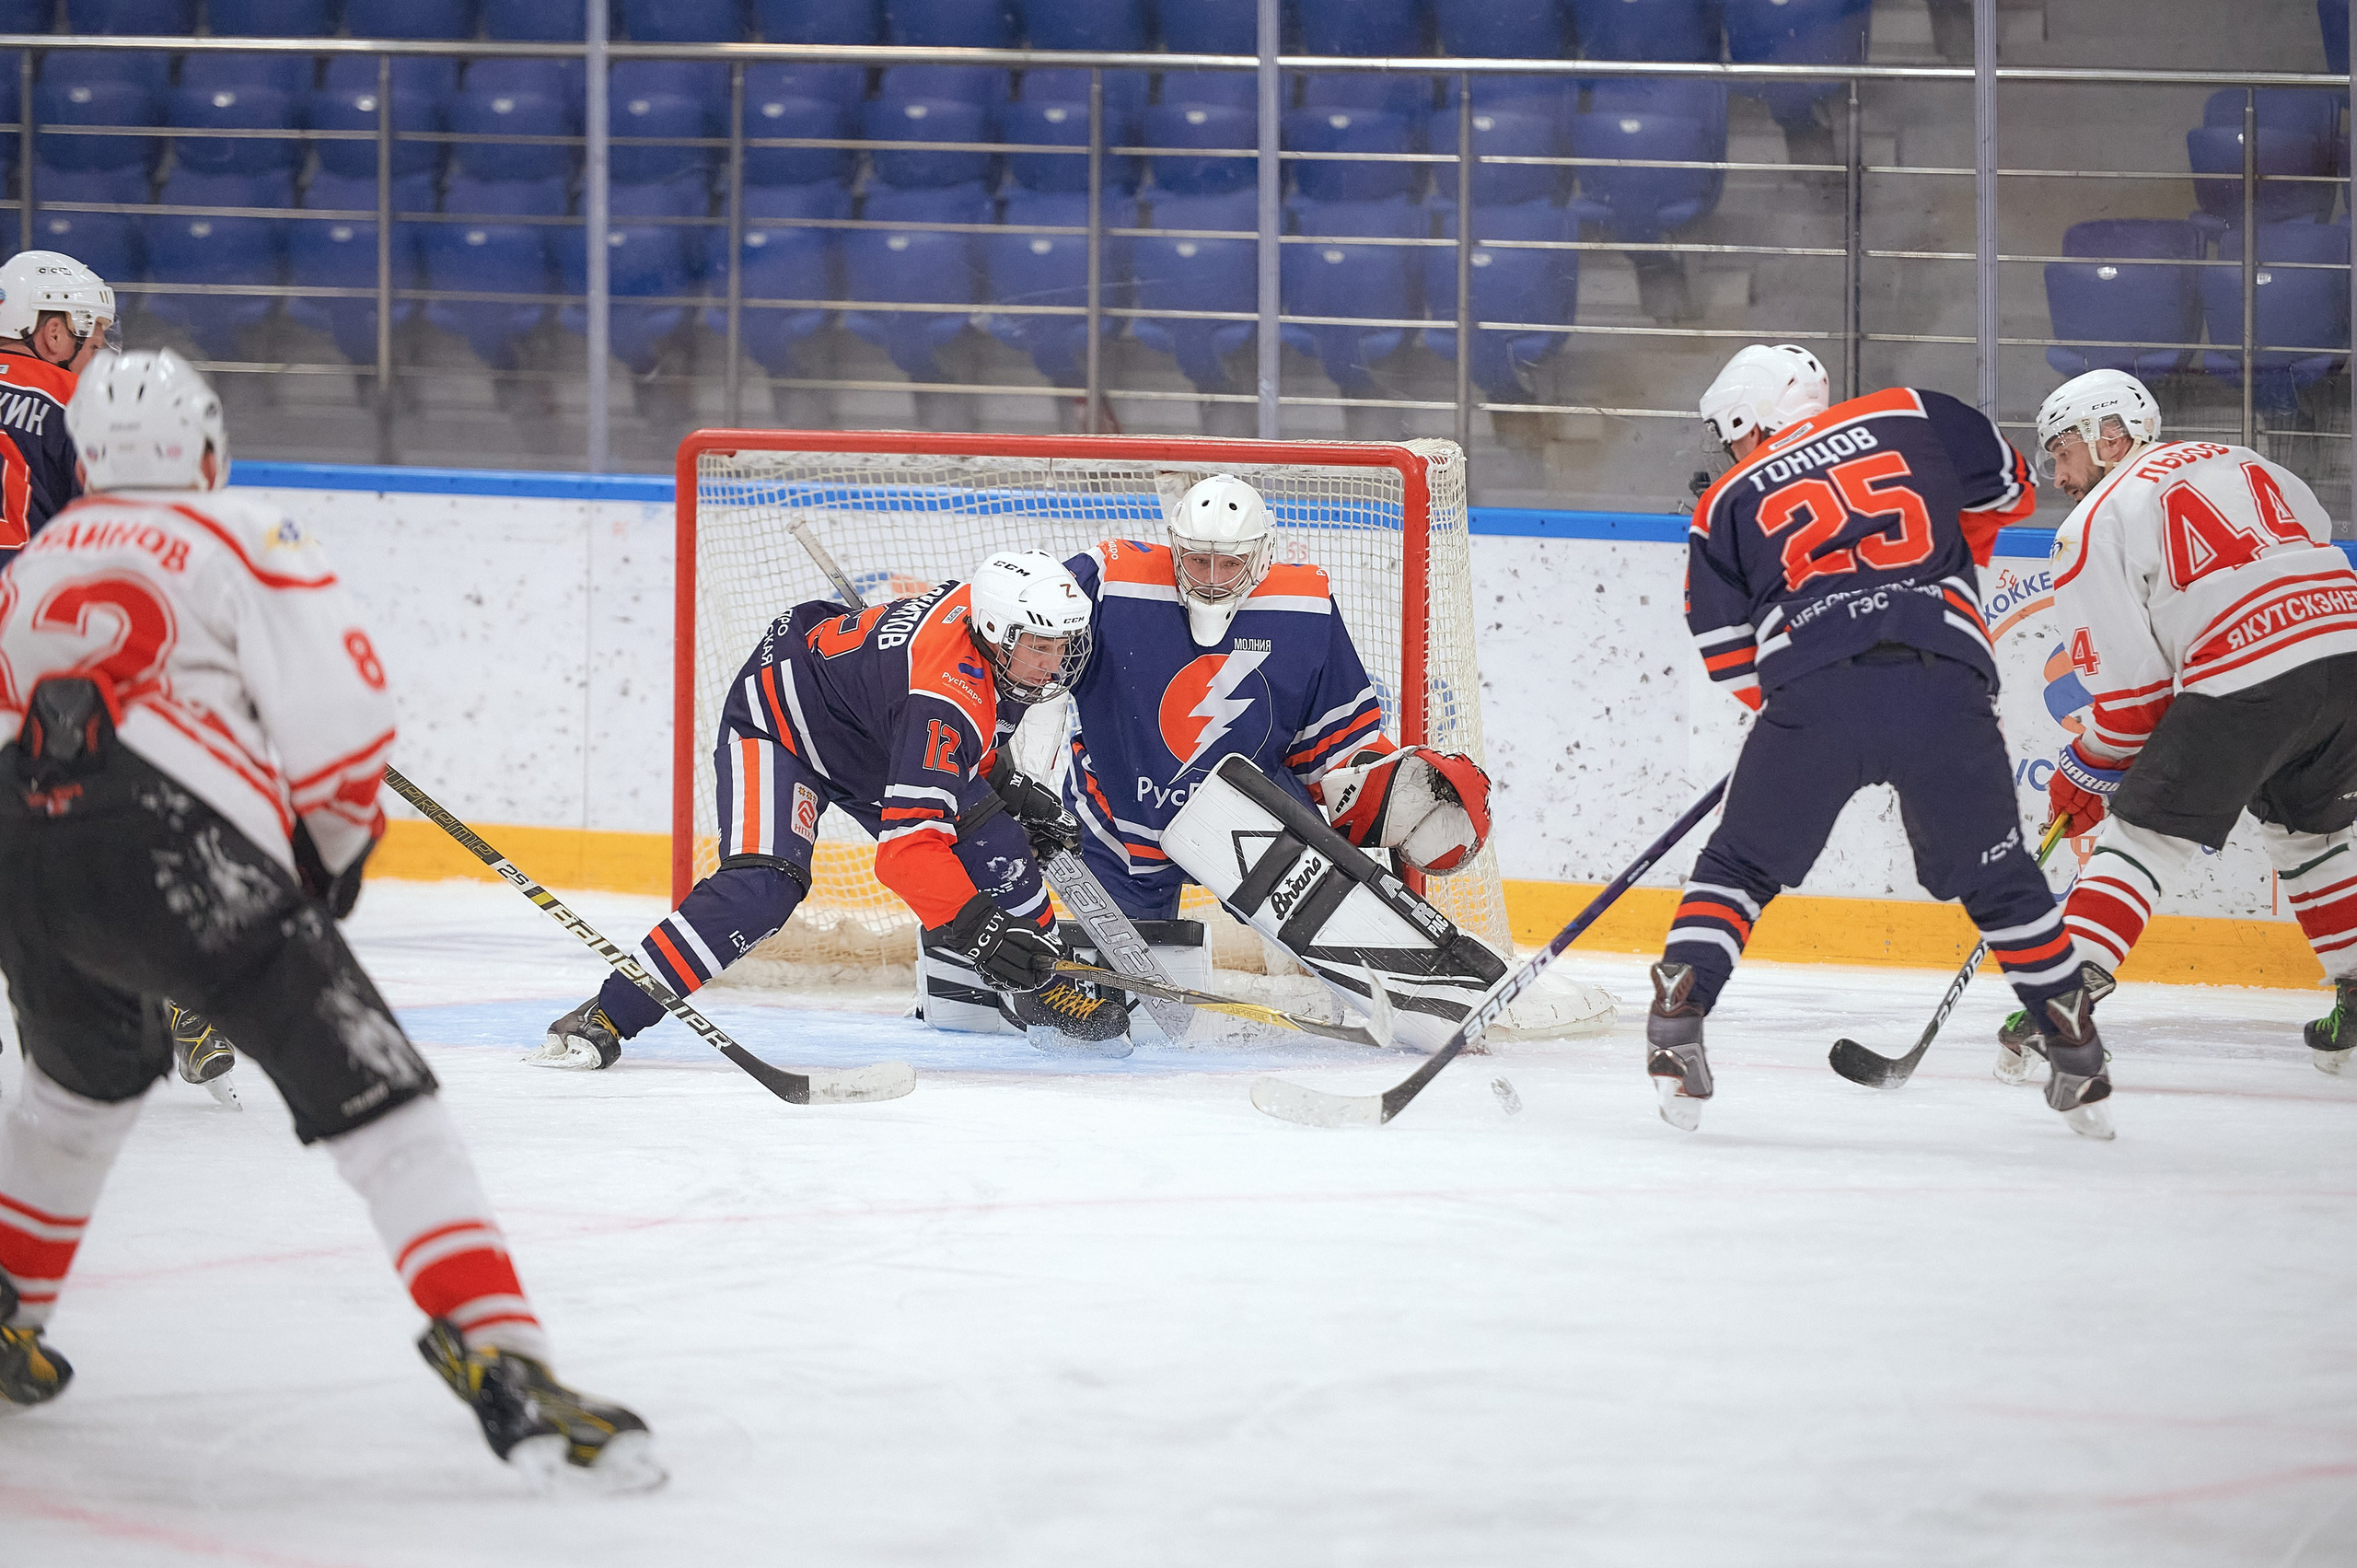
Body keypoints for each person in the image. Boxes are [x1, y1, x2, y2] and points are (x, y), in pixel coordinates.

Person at [0, 349, 658, 1486]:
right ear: (205, 444)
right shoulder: (247, 531)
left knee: (79, 1085)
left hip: (20, 843)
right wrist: (328, 860)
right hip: (177, 844)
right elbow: (344, 728)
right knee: (385, 1102)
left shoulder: (38, 556)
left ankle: (12, 1312)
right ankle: (500, 1351)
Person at [1649, 343, 2107, 1135]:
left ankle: (1678, 1020)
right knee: (1998, 877)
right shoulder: (1912, 412)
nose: (1728, 452)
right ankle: (2074, 1043)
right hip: (1945, 679)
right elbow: (2011, 489)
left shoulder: (1725, 500)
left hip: (1815, 688)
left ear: (1749, 421)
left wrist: (1803, 699)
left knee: (1738, 866)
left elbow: (1726, 649)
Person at [933, 472, 1500, 1047]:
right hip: (1119, 822)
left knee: (1328, 939)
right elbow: (1017, 624)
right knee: (1127, 1027)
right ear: (1173, 547)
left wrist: (1378, 786)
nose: (1208, 580)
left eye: (1227, 564)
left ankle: (1415, 990)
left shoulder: (1304, 605)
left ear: (1261, 556)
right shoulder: (1110, 579)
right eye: (1195, 561)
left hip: (1255, 831)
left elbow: (1333, 739)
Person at [536, 550, 1127, 1067]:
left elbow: (965, 729)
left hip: (872, 731)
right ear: (997, 631)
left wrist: (1006, 788)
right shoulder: (947, 692)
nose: (1054, 664)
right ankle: (612, 1012)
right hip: (783, 726)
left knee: (998, 842)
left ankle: (1043, 984)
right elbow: (905, 857)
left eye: (1062, 647)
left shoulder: (992, 629)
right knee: (763, 889)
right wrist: (980, 934)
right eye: (1041, 649)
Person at [2008, 368, 2357, 1079]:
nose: (2057, 474)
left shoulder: (2092, 522)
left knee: (2143, 832)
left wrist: (2085, 770)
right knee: (2308, 829)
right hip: (2346, 651)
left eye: (2061, 452)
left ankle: (2064, 1001)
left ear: (2108, 437)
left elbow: (2135, 702)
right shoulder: (2244, 459)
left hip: (2250, 673)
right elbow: (2314, 536)